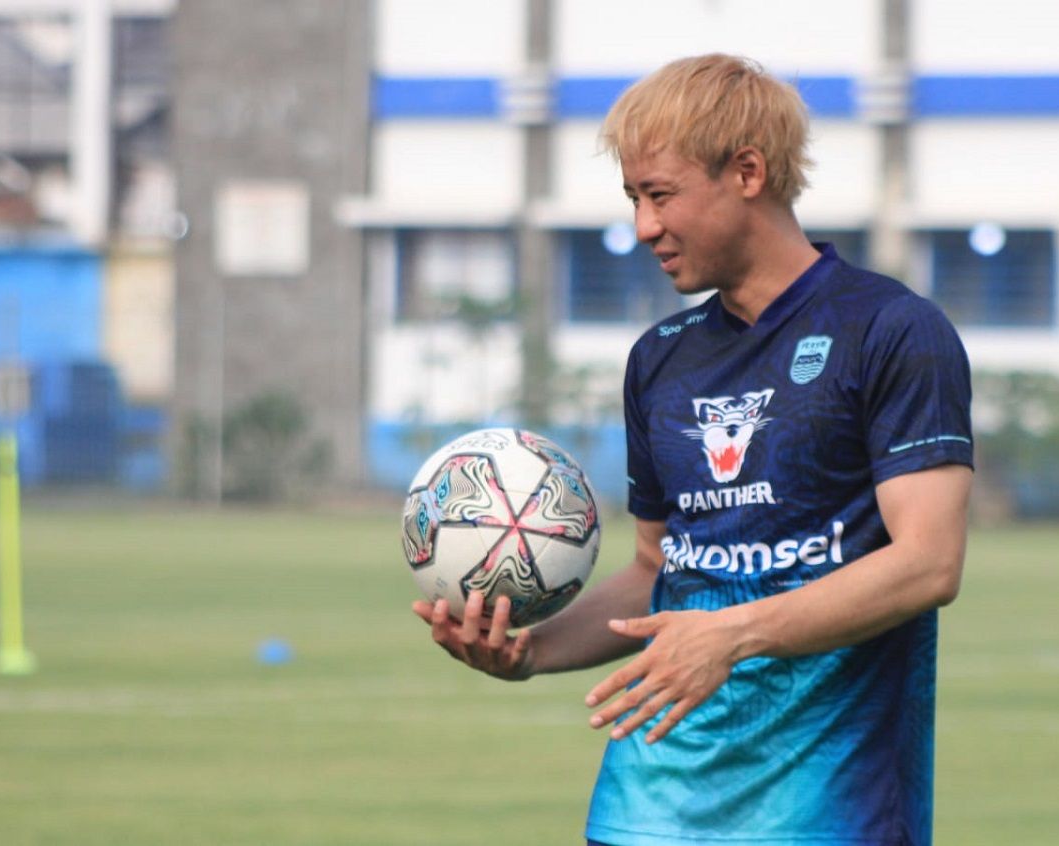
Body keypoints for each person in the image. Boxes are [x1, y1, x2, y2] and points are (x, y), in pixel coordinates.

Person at [413, 53, 974, 846]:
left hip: (826, 810)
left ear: (747, 172)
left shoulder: (889, 332)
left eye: (660, 195)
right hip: (650, 807)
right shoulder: (660, 358)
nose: (643, 226)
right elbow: (656, 573)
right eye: (634, 198)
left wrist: (735, 634)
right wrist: (531, 650)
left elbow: (928, 565)